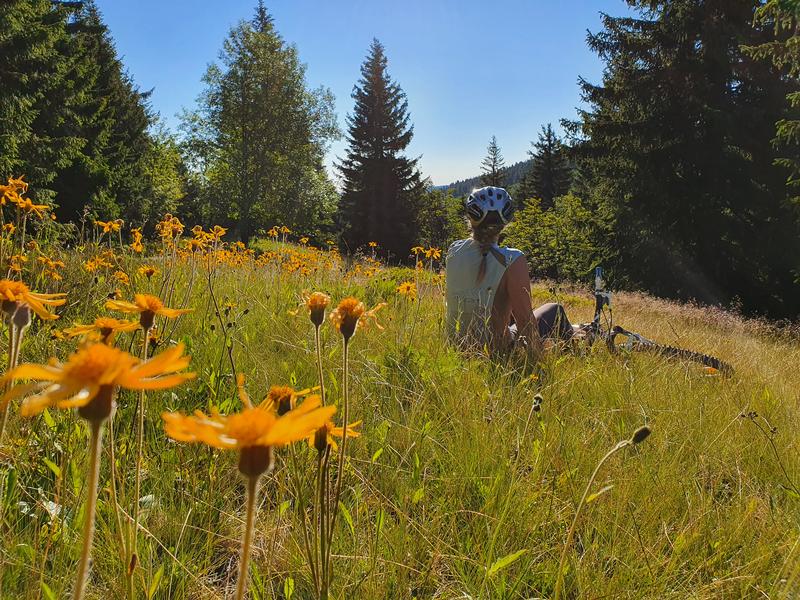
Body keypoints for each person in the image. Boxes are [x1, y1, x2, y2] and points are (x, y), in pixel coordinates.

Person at [445, 186, 576, 354]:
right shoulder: (512, 260)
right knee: (554, 309)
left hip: (456, 348)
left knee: (507, 306)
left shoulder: (454, 250)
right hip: (495, 351)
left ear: (471, 218)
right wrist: (537, 366)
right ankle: (574, 354)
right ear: (505, 221)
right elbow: (526, 323)